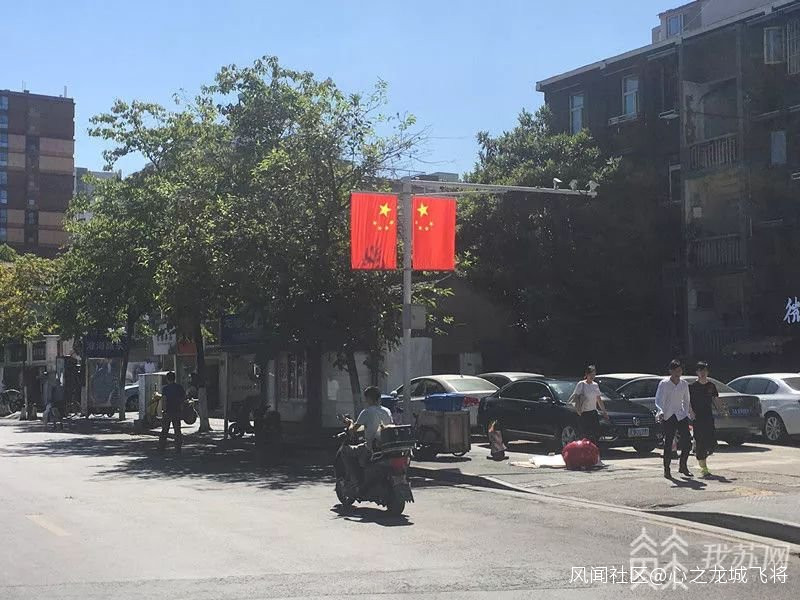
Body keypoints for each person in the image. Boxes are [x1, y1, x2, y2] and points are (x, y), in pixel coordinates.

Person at [342, 386, 393, 494]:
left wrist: (350, 423)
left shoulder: (366, 412)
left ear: (369, 398)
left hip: (371, 448)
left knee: (345, 451)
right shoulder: (387, 411)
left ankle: (355, 482)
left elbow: (353, 430)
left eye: (366, 398)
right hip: (386, 448)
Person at [655, 359, 695, 479]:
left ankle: (683, 465)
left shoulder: (684, 384)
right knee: (669, 442)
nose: (678, 373)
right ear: (671, 371)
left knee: (687, 441)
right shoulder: (664, 383)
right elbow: (659, 399)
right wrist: (660, 411)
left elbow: (686, 400)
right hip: (668, 415)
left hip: (680, 414)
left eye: (680, 371)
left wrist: (688, 412)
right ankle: (667, 469)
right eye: (676, 371)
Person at [689, 361, 723, 478]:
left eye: (704, 371)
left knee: (711, 443)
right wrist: (690, 412)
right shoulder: (692, 387)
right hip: (697, 418)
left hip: (708, 417)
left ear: (707, 372)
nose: (703, 373)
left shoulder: (711, 386)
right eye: (700, 371)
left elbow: (715, 399)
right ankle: (704, 468)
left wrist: (722, 410)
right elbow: (687, 401)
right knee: (701, 443)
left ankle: (702, 454)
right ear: (697, 372)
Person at [571, 365, 608, 446]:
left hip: (593, 412)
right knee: (584, 434)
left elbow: (598, 399)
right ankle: (583, 450)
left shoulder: (595, 385)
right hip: (584, 413)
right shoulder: (581, 384)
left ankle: (592, 449)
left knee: (595, 433)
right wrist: (578, 410)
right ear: (586, 374)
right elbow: (575, 398)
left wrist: (604, 412)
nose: (592, 376)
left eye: (594, 375)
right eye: (591, 374)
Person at [158, 372, 185, 453]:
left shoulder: (165, 389)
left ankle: (162, 447)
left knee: (164, 430)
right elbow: (183, 399)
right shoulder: (179, 387)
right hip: (177, 411)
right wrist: (182, 410)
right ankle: (178, 448)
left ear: (167, 379)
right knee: (177, 430)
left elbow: (164, 400)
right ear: (174, 378)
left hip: (168, 411)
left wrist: (163, 410)